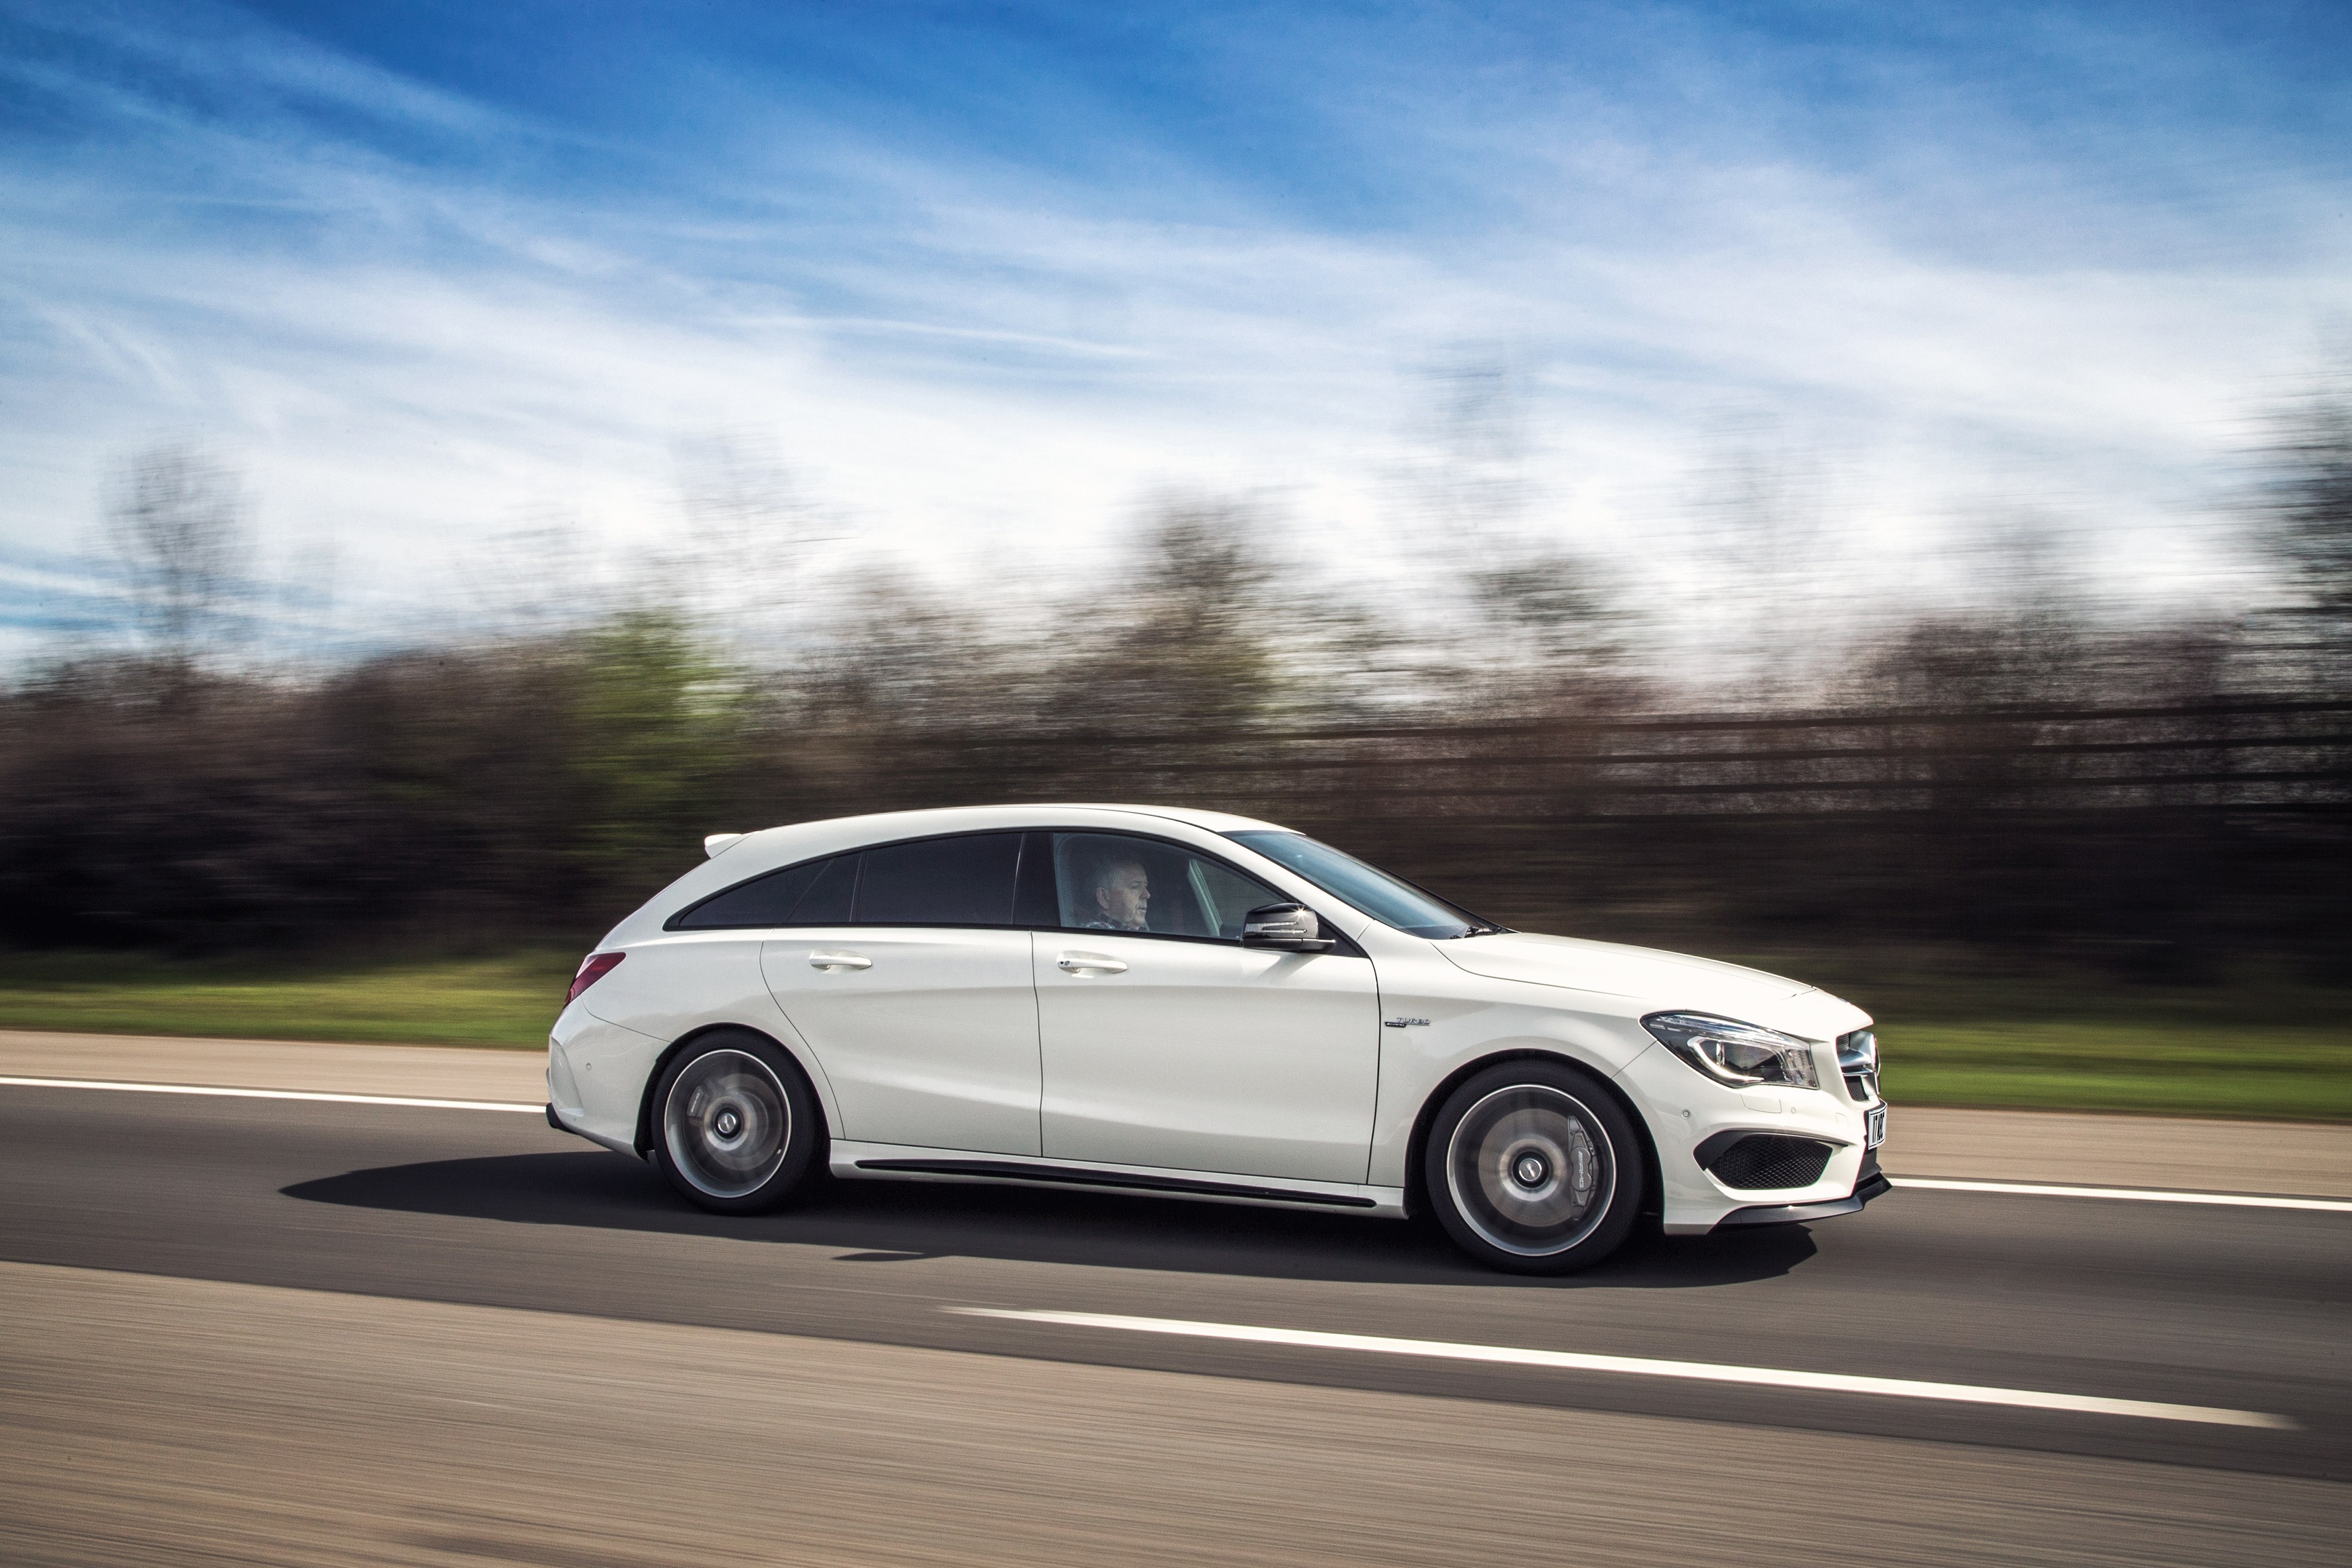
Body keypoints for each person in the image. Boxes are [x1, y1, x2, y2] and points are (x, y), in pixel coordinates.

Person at [1076, 854, 1151, 931]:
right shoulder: (1096, 932)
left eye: (1145, 886)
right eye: (1135, 887)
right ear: (1104, 898)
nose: (1147, 895)